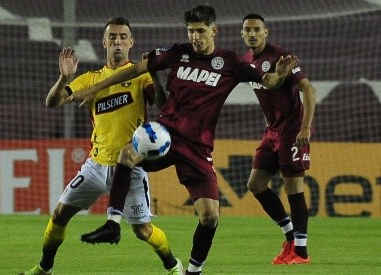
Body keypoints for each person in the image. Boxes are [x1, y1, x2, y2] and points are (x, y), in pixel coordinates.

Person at [69, 5, 298, 274]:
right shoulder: (178, 52)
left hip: (198, 148)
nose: (195, 37)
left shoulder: (231, 63)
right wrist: (95, 88)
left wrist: (280, 75)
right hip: (165, 135)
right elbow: (134, 70)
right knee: (126, 154)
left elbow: (268, 81)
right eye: (191, 31)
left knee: (210, 216)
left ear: (214, 31)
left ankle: (193, 270)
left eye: (201, 31)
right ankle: (113, 223)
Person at [20, 17, 183, 275]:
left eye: (122, 37)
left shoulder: (141, 78)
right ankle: (44, 268)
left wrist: (153, 73)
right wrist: (64, 79)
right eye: (112, 37)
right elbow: (53, 103)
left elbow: (163, 106)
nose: (117, 42)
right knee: (59, 215)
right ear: (104, 42)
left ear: (131, 42)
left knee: (143, 230)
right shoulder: (90, 79)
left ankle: (173, 266)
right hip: (96, 165)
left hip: (130, 166)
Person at [241, 13, 316, 265]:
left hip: (292, 130)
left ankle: (302, 252)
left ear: (266, 32)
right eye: (247, 30)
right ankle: (290, 236)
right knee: (256, 184)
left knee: (293, 187)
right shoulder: (246, 61)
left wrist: (305, 128)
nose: (252, 34)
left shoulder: (280, 56)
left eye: (256, 30)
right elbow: (270, 82)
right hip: (271, 131)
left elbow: (309, 89)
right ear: (242, 34)